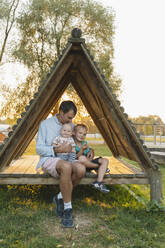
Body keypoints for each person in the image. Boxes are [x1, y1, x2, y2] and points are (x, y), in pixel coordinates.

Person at [36, 101, 86, 228]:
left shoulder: (70, 125)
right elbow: (39, 148)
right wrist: (57, 149)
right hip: (49, 158)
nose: (71, 121)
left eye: (72, 118)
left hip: (68, 158)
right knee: (66, 167)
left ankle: (59, 197)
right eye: (69, 117)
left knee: (81, 169)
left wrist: (87, 151)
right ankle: (68, 209)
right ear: (61, 112)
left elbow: (77, 143)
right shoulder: (45, 124)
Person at [73, 124, 110, 193]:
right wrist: (82, 150)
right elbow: (75, 157)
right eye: (80, 133)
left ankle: (99, 182)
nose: (82, 135)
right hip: (81, 166)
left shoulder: (84, 143)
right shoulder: (72, 143)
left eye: (84, 134)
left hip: (89, 163)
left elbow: (90, 152)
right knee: (81, 158)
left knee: (105, 160)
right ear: (74, 133)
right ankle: (99, 167)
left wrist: (91, 153)